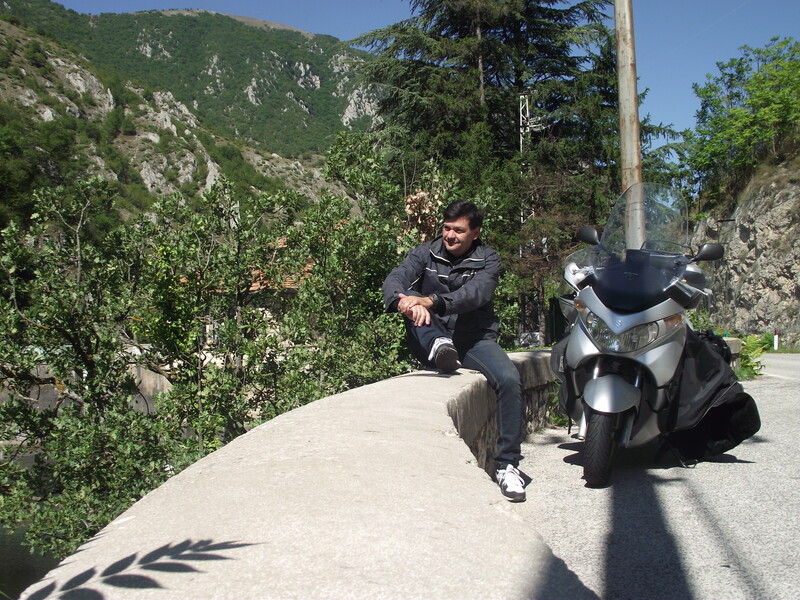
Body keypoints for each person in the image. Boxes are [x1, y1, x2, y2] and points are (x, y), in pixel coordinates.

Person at [382, 200, 527, 502]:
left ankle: (507, 466)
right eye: (446, 228)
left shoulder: (488, 259)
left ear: (475, 233)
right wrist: (403, 301)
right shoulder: (425, 252)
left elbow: (475, 294)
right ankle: (438, 344)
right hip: (429, 332)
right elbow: (395, 278)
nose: (449, 235)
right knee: (411, 298)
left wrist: (431, 301)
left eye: (458, 230)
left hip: (473, 339)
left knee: (509, 379)